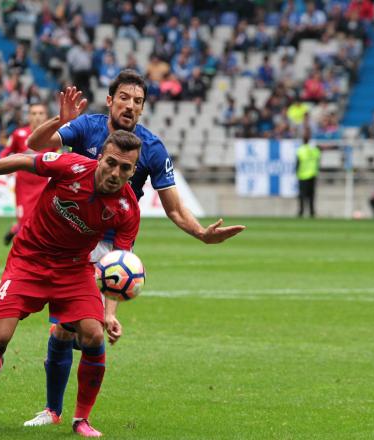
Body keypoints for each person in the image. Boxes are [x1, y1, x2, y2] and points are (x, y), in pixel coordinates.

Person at [24, 71, 246, 427]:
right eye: (124, 97)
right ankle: (53, 411)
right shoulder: (86, 127)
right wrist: (60, 121)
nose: (131, 105)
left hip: (114, 245)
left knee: (82, 330)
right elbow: (39, 146)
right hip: (72, 238)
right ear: (110, 100)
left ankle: (79, 416)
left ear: (143, 108)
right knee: (64, 330)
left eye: (138, 101)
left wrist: (201, 233)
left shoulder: (152, 149)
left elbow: (173, 208)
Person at [0, 130, 143, 438]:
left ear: (133, 171)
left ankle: (81, 419)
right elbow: (24, 159)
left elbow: (118, 268)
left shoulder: (127, 210)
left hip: (74, 269)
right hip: (29, 259)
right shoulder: (71, 166)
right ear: (100, 157)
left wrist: (109, 313)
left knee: (92, 335)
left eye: (125, 168)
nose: (115, 173)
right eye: (111, 163)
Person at [0, 102, 50, 245]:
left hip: (43, 187)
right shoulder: (19, 134)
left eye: (41, 113)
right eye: (34, 114)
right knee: (25, 223)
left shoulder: (53, 136)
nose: (37, 117)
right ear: (29, 116)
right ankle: (17, 232)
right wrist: (7, 167)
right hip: (24, 186)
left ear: (46, 116)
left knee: (39, 225)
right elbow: (5, 153)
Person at [295, 129, 320, 218]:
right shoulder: (314, 149)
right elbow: (318, 159)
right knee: (311, 195)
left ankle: (301, 212)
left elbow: (297, 162)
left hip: (302, 175)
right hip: (312, 174)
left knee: (302, 195)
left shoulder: (300, 150)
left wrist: (296, 172)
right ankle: (312, 212)